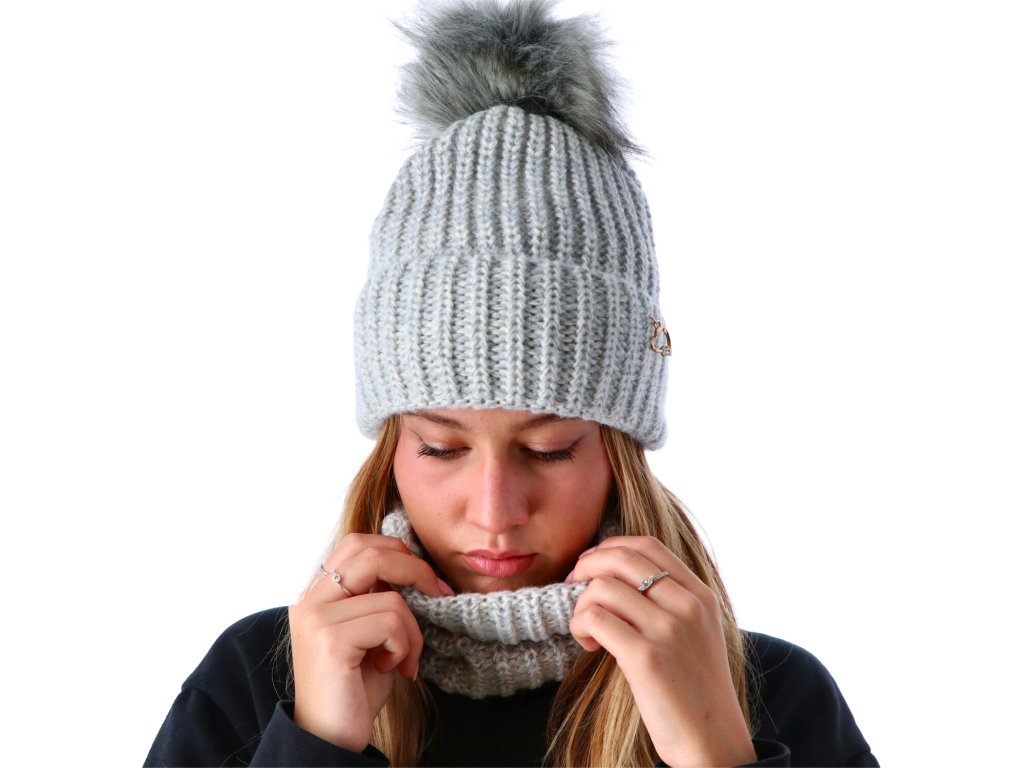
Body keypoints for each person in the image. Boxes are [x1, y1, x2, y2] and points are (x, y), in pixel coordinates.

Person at [146, 1, 878, 765]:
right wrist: (315, 744)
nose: (494, 512)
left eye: (550, 448)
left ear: (617, 450)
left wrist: (715, 749)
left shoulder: (773, 698)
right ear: (392, 446)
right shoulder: (260, 683)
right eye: (440, 447)